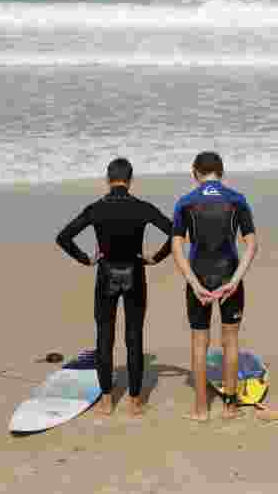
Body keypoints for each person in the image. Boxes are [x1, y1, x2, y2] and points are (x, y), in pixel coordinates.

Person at [56, 158, 173, 418]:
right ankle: (134, 401)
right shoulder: (142, 207)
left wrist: (85, 258)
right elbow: (175, 231)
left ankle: (107, 400)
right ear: (130, 180)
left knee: (104, 336)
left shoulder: (96, 208)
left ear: (108, 179)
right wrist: (156, 257)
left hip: (106, 275)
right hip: (135, 273)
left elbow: (63, 237)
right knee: (134, 336)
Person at [171, 152, 258, 421]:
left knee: (200, 343)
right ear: (221, 172)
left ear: (195, 172)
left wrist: (194, 283)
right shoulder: (236, 199)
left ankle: (200, 410)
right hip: (230, 276)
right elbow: (251, 245)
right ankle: (230, 407)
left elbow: (177, 247)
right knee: (230, 342)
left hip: (199, 275)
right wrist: (234, 281)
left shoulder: (185, 202)